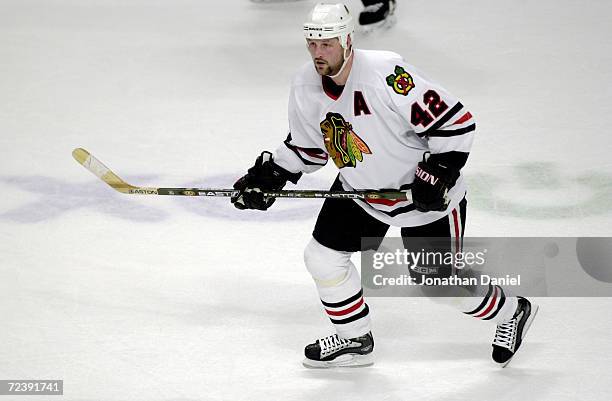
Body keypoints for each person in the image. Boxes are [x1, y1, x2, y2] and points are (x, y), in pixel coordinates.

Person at [232, 2, 538, 368]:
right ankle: (354, 337)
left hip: (423, 198)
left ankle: (511, 311)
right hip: (362, 192)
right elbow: (308, 149)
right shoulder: (304, 83)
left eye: (326, 44)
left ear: (347, 39)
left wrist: (438, 172)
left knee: (438, 284)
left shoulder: (387, 73)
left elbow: (455, 125)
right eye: (312, 44)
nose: (318, 53)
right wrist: (271, 176)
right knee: (323, 257)